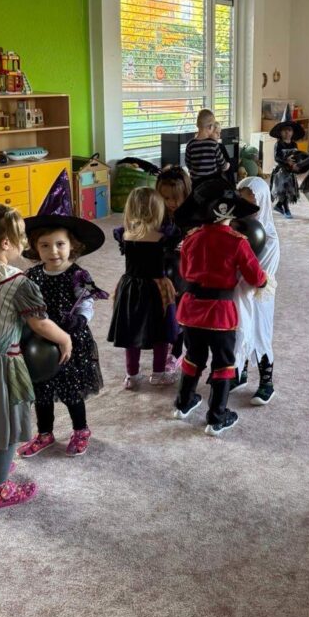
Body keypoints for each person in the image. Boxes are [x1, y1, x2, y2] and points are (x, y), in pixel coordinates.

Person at [0, 203, 72, 511]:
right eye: (21, 239)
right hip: (2, 362)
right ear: (6, 242)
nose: (23, 245)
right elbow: (39, 323)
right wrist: (64, 337)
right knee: (7, 427)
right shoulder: (17, 281)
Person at [172, 177, 267, 435]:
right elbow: (256, 277)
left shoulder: (190, 239)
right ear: (229, 211)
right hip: (219, 314)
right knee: (224, 362)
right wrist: (264, 281)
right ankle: (217, 416)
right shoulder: (238, 242)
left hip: (191, 310)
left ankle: (183, 403)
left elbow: (184, 272)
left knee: (193, 355)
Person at [19, 213, 107, 458]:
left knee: (71, 390)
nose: (53, 251)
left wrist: (81, 319)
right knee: (41, 391)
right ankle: (44, 433)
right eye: (45, 245)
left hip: (71, 339)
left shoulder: (78, 275)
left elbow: (87, 302)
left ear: (72, 245)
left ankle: (81, 430)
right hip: (40, 340)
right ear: (35, 247)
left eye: (60, 244)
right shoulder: (32, 275)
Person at [108, 187, 179, 391]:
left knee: (131, 330)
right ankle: (158, 373)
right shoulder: (163, 235)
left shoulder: (125, 234)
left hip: (130, 287)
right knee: (161, 331)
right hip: (157, 289)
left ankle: (132, 375)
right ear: (157, 208)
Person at [231, 176, 280, 404]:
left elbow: (264, 273)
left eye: (252, 202)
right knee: (239, 331)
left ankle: (266, 383)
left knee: (260, 334)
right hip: (237, 292)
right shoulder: (235, 229)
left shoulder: (269, 237)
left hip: (259, 296)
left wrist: (245, 281)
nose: (247, 208)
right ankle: (239, 373)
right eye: (242, 201)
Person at [155, 164, 193, 379]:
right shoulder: (159, 216)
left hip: (184, 276)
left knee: (181, 314)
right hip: (162, 272)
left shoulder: (192, 218)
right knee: (164, 312)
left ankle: (177, 351)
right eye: (165, 198)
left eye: (174, 198)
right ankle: (167, 344)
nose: (170, 203)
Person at [269, 107, 305, 218]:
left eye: (289, 130)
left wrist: (298, 163)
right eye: (284, 130)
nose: (287, 132)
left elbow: (297, 156)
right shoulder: (279, 144)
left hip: (290, 171)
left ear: (293, 132)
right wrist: (286, 161)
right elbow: (276, 157)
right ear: (280, 132)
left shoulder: (294, 144)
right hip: (281, 171)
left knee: (289, 190)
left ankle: (278, 206)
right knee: (283, 190)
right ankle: (286, 210)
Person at [184, 108, 231, 187]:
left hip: (196, 184)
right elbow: (222, 163)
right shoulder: (213, 144)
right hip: (211, 184)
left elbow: (188, 163)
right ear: (210, 127)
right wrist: (227, 165)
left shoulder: (190, 144)